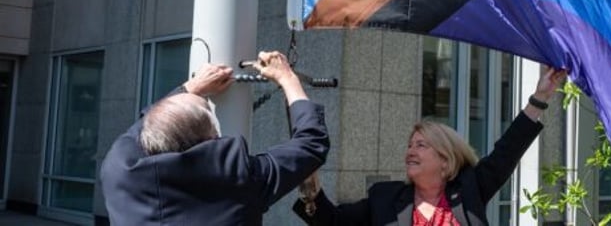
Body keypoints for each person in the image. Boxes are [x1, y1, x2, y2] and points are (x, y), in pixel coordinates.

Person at [293, 65, 567, 226]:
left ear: (445, 160)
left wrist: (539, 97)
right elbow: (331, 222)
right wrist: (308, 183)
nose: (410, 151)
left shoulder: (470, 190)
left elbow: (507, 151)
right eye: (410, 145)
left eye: (421, 145)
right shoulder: (384, 199)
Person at [101, 50, 329, 225]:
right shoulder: (238, 179)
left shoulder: (119, 170)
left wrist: (189, 88)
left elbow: (145, 125)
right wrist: (288, 78)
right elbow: (311, 143)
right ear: (212, 137)